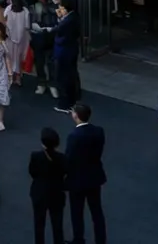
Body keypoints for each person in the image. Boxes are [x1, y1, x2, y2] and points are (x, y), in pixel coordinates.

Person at [63, 103, 105, 244]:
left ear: (76, 116)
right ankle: (101, 240)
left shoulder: (74, 136)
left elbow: (69, 159)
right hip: (94, 177)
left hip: (77, 180)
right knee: (97, 211)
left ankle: (78, 239)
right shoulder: (99, 131)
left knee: (77, 212)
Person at [27, 127, 67, 244]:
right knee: (57, 224)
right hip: (57, 193)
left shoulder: (35, 156)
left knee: (39, 223)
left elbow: (32, 172)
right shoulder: (62, 158)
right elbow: (65, 172)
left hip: (39, 193)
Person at [49, 1, 79, 113]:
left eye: (61, 8)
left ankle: (65, 104)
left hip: (64, 52)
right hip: (71, 50)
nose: (59, 10)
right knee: (70, 75)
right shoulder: (74, 17)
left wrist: (58, 18)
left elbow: (58, 31)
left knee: (63, 77)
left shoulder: (68, 21)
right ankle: (72, 101)